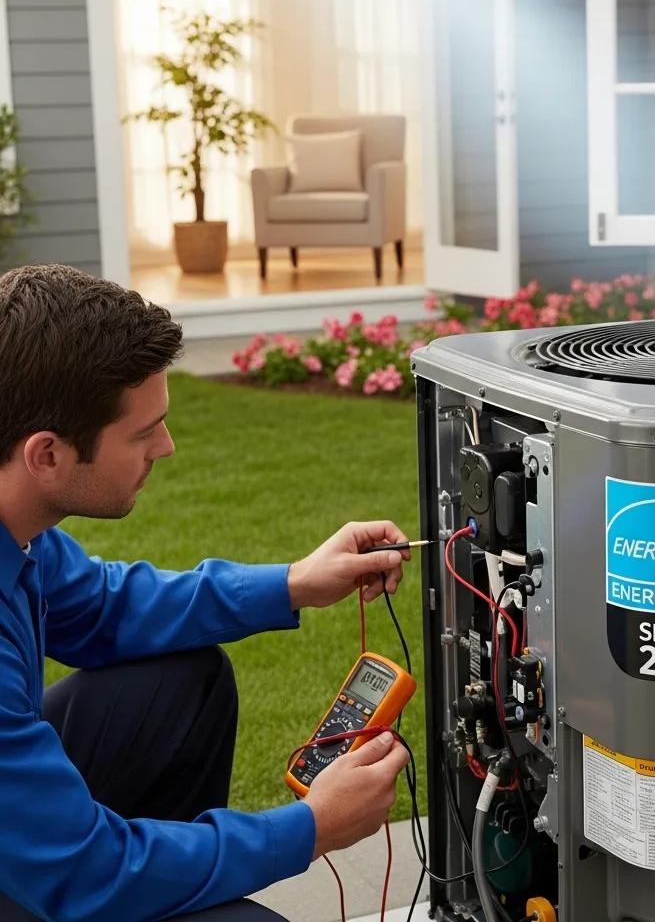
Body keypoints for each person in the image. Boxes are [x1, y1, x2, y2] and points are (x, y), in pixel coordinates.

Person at [0, 264, 412, 921]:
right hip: (50, 870)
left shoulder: (18, 532)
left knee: (183, 682)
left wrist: (294, 583)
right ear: (45, 454)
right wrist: (312, 827)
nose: (165, 447)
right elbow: (82, 868)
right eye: (142, 433)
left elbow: (103, 608)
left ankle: (163, 894)